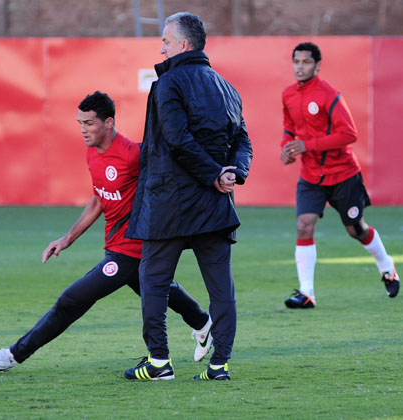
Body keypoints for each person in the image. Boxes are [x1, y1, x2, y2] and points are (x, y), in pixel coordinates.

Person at [0, 91, 213, 376]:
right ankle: (203, 323)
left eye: (89, 123)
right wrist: (66, 239)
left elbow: (170, 175)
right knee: (158, 289)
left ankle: (11, 356)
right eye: (80, 123)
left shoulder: (132, 155)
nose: (83, 129)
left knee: (72, 300)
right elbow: (99, 199)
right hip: (117, 245)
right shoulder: (92, 153)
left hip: (130, 249)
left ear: (109, 123)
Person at [123, 12, 252, 382]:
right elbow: (243, 140)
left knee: (152, 280)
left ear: (182, 44)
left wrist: (215, 174)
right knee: (221, 288)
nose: (160, 48)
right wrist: (231, 173)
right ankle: (219, 365)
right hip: (214, 206)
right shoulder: (227, 87)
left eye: (165, 41)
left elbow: (177, 140)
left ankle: (159, 362)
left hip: (169, 205)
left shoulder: (168, 83)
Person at [280, 42, 399, 309]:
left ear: (317, 65)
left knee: (356, 229)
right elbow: (289, 128)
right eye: (296, 62)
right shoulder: (288, 95)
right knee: (304, 225)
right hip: (311, 176)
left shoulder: (329, 95)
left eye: (306, 62)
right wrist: (286, 147)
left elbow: (349, 134)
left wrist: (307, 145)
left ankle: (386, 265)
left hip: (343, 174)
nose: (300, 67)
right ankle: (307, 293)